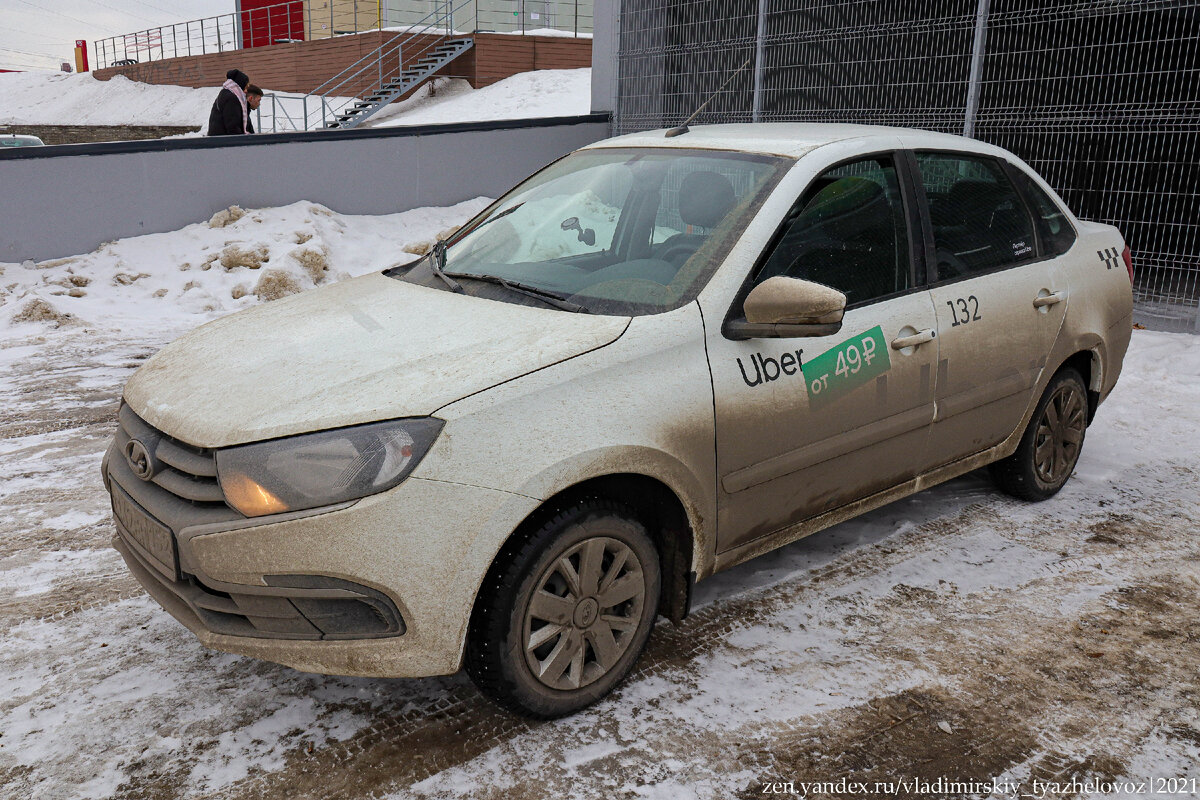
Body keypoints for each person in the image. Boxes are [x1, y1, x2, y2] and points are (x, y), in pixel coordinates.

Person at [207, 69, 259, 136]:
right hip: (224, 140)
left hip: (220, 139)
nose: (246, 91)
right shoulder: (231, 98)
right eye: (245, 87)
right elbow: (233, 127)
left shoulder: (228, 95)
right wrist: (242, 141)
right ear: (240, 85)